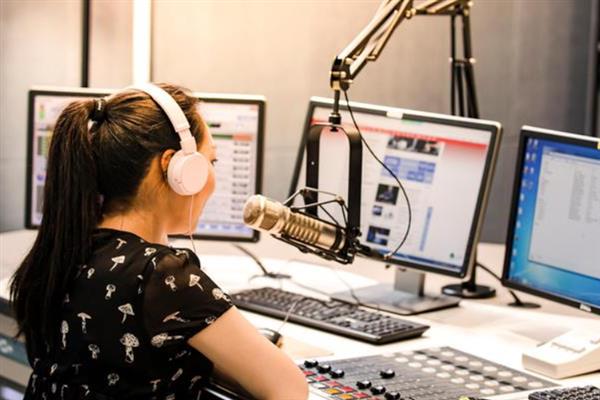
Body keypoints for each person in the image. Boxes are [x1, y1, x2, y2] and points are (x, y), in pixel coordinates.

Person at [10, 83, 308, 400]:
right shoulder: (162, 275)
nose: (211, 177)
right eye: (211, 161)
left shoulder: (64, 249)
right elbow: (289, 389)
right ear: (175, 167)